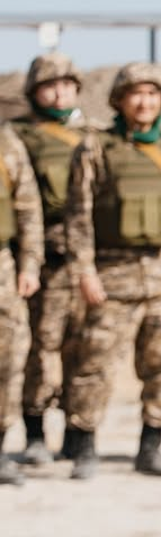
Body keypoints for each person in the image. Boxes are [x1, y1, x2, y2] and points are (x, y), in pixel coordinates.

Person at [63, 62, 161, 480]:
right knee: (94, 364)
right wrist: (84, 271)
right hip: (112, 274)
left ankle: (151, 447)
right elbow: (78, 215)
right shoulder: (95, 148)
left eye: (152, 94)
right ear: (120, 101)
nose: (144, 103)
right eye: (136, 94)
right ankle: (84, 447)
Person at [10, 53, 91, 465]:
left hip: (88, 261)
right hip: (44, 259)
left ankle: (77, 434)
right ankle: (35, 432)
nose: (60, 93)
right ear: (34, 91)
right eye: (50, 86)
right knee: (40, 349)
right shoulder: (18, 137)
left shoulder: (94, 136)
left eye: (67, 85)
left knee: (84, 348)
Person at [0, 122, 43, 486]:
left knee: (8, 360)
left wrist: (29, 264)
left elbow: (28, 209)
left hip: (2, 268)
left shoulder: (6, 144)